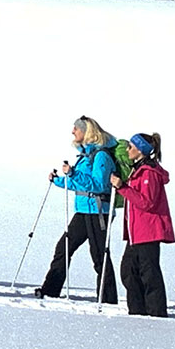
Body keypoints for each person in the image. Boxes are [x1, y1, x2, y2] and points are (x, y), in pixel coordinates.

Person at [36, 115, 119, 305]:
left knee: (99, 255)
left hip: (98, 211)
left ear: (86, 132)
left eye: (76, 128)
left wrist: (73, 173)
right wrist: (58, 180)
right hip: (84, 210)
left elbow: (98, 184)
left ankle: (107, 299)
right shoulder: (86, 156)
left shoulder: (101, 156)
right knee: (64, 247)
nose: (73, 131)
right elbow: (79, 183)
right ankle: (50, 290)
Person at [111, 133, 173, 317]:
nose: (128, 150)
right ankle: (138, 311)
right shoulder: (137, 170)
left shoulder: (148, 173)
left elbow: (147, 202)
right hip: (137, 231)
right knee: (129, 271)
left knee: (149, 273)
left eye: (131, 146)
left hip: (148, 230)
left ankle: (156, 312)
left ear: (140, 150)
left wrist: (122, 187)